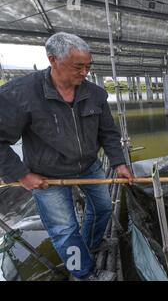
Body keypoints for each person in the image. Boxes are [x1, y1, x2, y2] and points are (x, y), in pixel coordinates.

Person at [0, 32, 133, 281]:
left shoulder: (94, 94)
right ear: (53, 60)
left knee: (104, 208)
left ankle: (91, 245)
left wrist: (119, 162)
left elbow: (109, 133)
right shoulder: (20, 94)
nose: (84, 73)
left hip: (88, 165)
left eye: (88, 66)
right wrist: (22, 174)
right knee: (64, 229)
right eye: (78, 66)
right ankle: (82, 273)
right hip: (47, 172)